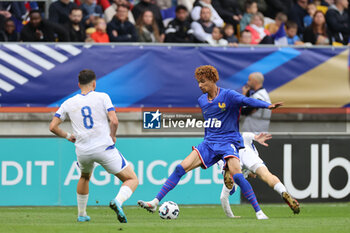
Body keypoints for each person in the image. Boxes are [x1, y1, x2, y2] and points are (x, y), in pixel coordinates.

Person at [138, 65, 282, 220]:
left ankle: (259, 212)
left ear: (213, 80)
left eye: (203, 82)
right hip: (209, 144)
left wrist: (267, 106)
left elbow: (247, 100)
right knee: (180, 168)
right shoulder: (202, 100)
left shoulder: (229, 95)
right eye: (198, 82)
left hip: (228, 142)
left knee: (238, 176)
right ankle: (154, 202)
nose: (200, 85)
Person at [49, 69, 138, 223]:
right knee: (132, 179)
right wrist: (113, 135)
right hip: (104, 148)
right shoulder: (102, 97)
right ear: (94, 84)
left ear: (78, 84)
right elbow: (114, 121)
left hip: (82, 150)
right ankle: (118, 201)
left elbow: (52, 127)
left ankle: (82, 214)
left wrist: (68, 136)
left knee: (84, 177)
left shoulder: (68, 103)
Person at [220, 132, 300, 218]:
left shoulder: (221, 146)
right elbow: (246, 135)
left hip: (230, 157)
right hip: (247, 153)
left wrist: (231, 217)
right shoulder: (239, 137)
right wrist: (256, 137)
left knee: (227, 191)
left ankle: (228, 171)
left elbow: (224, 196)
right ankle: (283, 191)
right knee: (267, 175)